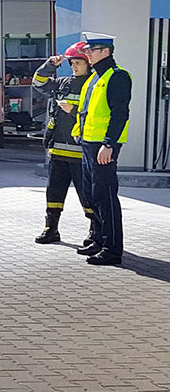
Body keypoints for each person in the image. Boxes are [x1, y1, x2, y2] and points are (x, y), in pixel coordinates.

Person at [73, 31, 131, 266]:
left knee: (105, 196)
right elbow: (86, 111)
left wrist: (109, 143)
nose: (87, 53)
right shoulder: (96, 76)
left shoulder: (117, 76)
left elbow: (120, 113)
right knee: (92, 194)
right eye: (86, 50)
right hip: (89, 144)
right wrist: (78, 132)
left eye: (91, 50)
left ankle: (112, 248)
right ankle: (98, 239)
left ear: (106, 51)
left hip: (103, 146)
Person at [31, 42, 95, 245]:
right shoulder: (63, 82)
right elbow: (38, 84)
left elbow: (95, 114)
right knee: (54, 191)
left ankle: (95, 230)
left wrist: (73, 111)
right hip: (58, 150)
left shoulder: (93, 85)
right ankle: (51, 229)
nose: (74, 66)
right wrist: (50, 65)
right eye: (73, 62)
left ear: (88, 64)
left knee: (87, 194)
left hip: (80, 152)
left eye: (79, 63)